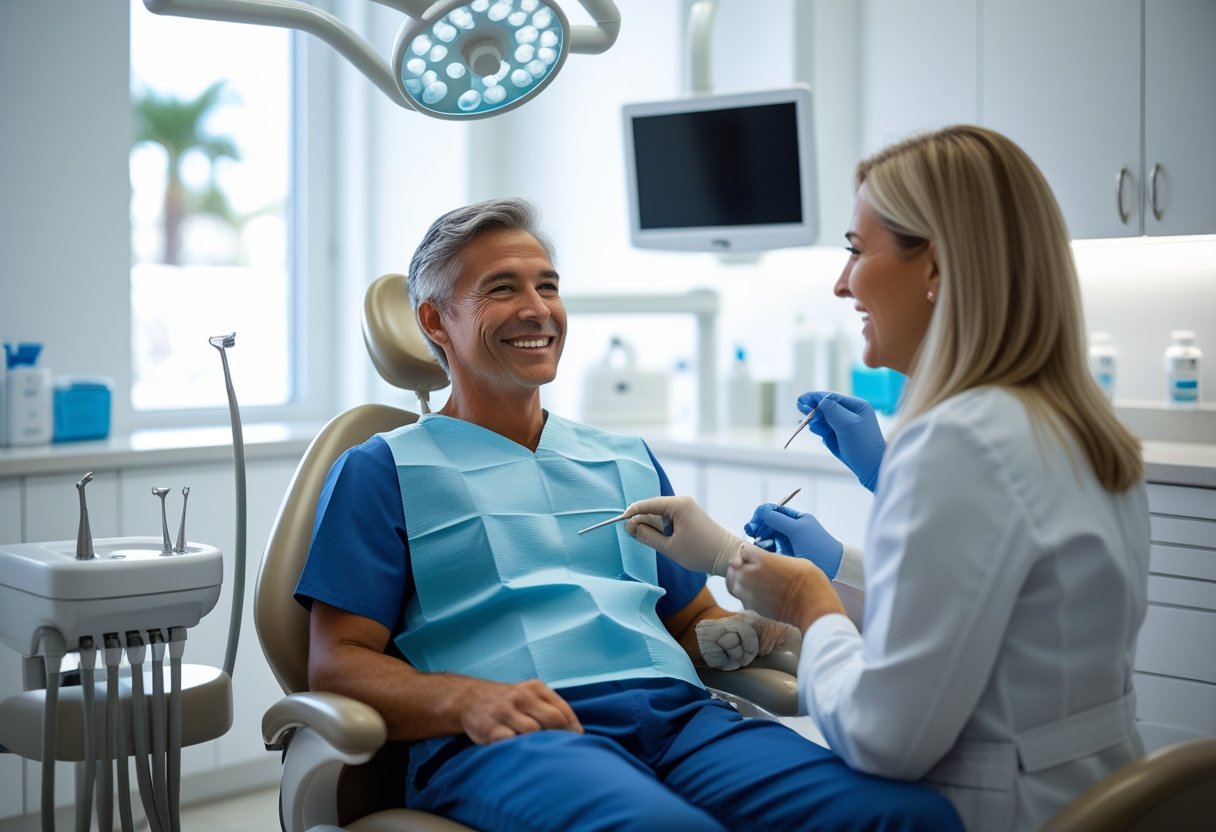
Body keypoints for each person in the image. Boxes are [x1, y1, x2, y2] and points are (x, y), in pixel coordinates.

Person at [294, 197, 963, 832]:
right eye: (502, 289)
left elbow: (690, 617)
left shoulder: (623, 457)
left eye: (548, 287)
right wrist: (464, 700)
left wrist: (735, 631)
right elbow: (338, 663)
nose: (537, 310)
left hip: (681, 720)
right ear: (436, 322)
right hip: (517, 734)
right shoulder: (383, 469)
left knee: (907, 818)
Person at [624, 125, 1151, 831]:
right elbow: (977, 623)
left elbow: (885, 735)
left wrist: (812, 604)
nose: (842, 283)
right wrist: (740, 557)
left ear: (933, 267)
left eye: (855, 250)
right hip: (1098, 792)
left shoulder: (957, 439)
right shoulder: (1070, 422)